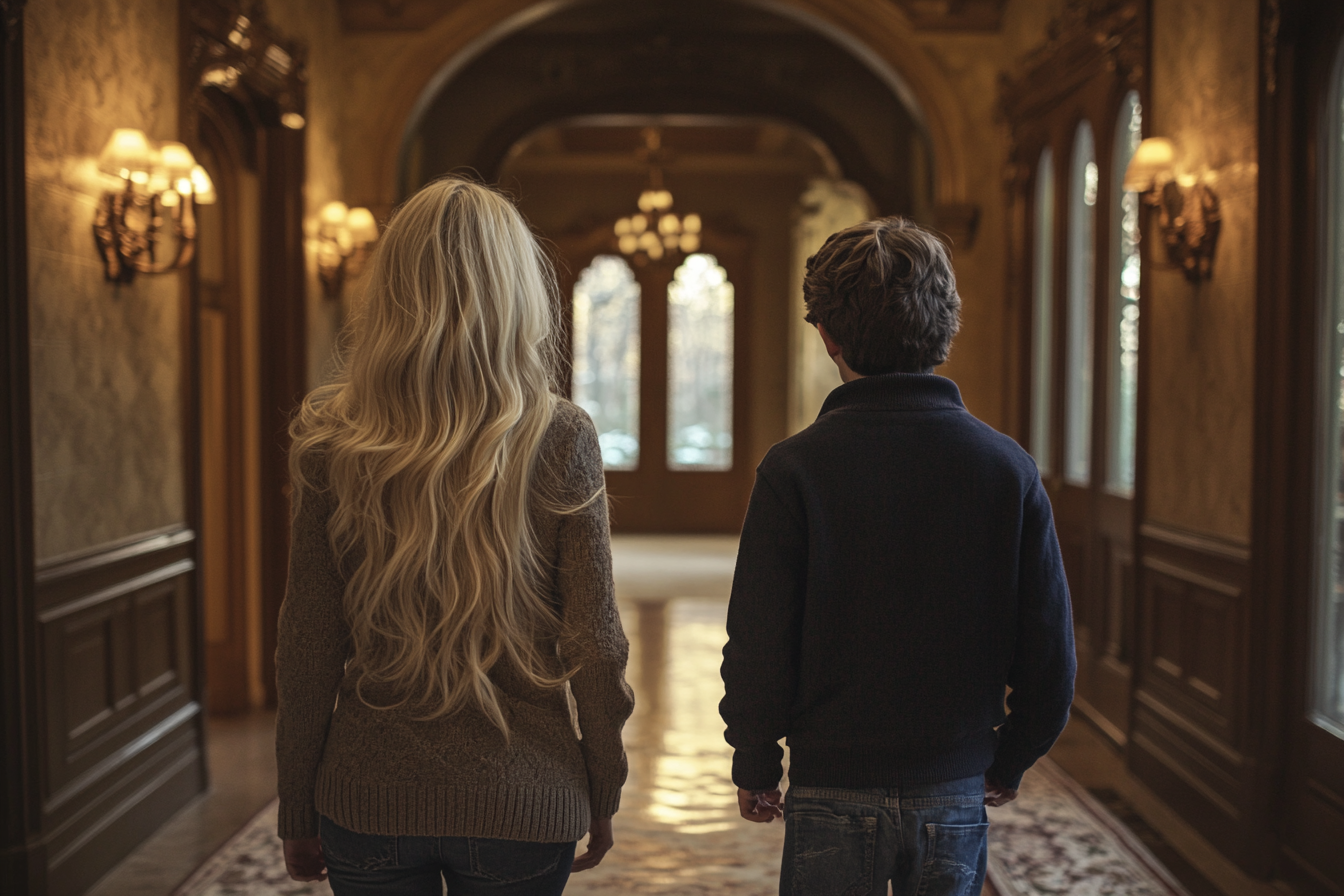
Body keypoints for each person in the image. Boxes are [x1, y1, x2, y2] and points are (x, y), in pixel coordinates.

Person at [275, 177, 635, 896]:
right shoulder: (561, 435)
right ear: (517, 295)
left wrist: (295, 806)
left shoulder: (333, 441)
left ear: (393, 291)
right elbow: (595, 640)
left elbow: (308, 644)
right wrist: (601, 785)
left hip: (367, 796)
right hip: (523, 797)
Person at [719, 217, 1075, 896]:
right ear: (948, 329)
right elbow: (1051, 656)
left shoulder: (793, 470)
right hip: (954, 788)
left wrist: (757, 761)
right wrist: (1010, 758)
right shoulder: (1008, 471)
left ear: (827, 335)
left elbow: (760, 642)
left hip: (830, 787)